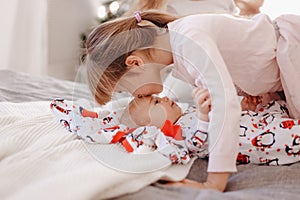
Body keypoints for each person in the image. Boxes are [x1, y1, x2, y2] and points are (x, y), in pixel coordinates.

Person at [84, 10, 300, 191]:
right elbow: (231, 76)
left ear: (135, 63)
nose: (136, 97)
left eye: (127, 90)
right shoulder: (180, 54)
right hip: (282, 69)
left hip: (293, 50)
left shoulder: (188, 42)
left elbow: (224, 105)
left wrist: (215, 180)